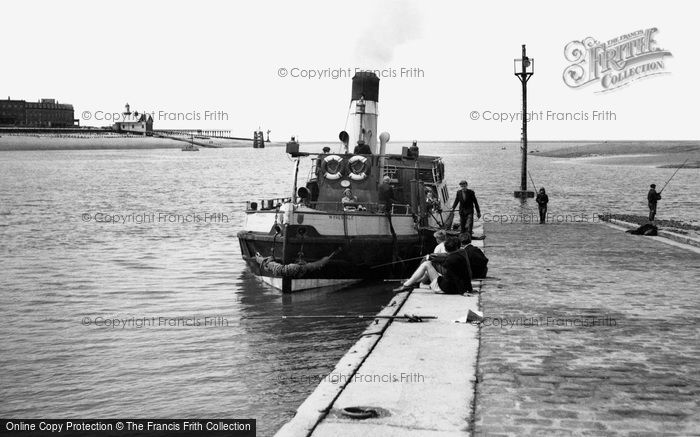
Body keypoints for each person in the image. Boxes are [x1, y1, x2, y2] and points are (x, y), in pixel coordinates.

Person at [393, 237, 472, 294]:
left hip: (445, 288)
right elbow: (465, 275)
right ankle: (414, 282)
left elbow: (455, 276)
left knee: (426, 264)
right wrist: (469, 288)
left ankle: (407, 285)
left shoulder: (450, 260)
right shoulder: (460, 256)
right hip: (453, 287)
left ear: (446, 248)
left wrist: (462, 292)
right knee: (428, 267)